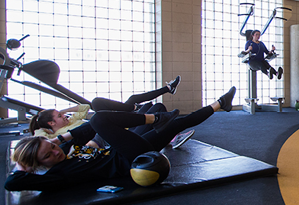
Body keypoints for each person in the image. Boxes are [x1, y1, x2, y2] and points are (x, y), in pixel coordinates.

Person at [4, 86, 236, 191]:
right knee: (98, 120)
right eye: (48, 155)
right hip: (128, 159)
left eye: (51, 147)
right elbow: (12, 183)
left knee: (172, 120)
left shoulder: (63, 149)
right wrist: (23, 164)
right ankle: (156, 120)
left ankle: (219, 105)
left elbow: (84, 133)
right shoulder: (59, 174)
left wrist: (60, 139)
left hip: (126, 147)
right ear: (38, 164)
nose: (56, 152)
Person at [29, 75, 182, 146]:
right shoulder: (54, 136)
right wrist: (45, 128)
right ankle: (142, 108)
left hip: (114, 122)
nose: (64, 116)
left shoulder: (73, 119)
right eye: (59, 116)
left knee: (98, 102)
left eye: (62, 114)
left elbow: (84, 107)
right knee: (155, 108)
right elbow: (37, 140)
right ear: (50, 123)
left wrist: (61, 111)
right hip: (110, 133)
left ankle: (137, 107)